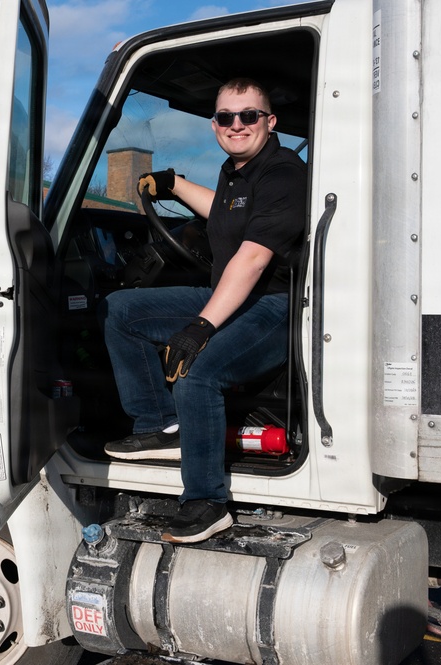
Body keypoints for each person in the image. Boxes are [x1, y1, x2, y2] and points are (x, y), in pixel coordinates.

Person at [98, 78, 308, 543]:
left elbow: (252, 258)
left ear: (269, 122)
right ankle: (160, 425)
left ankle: (206, 501)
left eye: (248, 115)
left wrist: (200, 327)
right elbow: (226, 213)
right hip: (236, 296)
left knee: (198, 371)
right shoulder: (238, 171)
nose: (236, 125)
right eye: (225, 117)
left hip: (274, 308)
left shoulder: (283, 174)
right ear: (215, 124)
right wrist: (175, 185)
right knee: (122, 310)